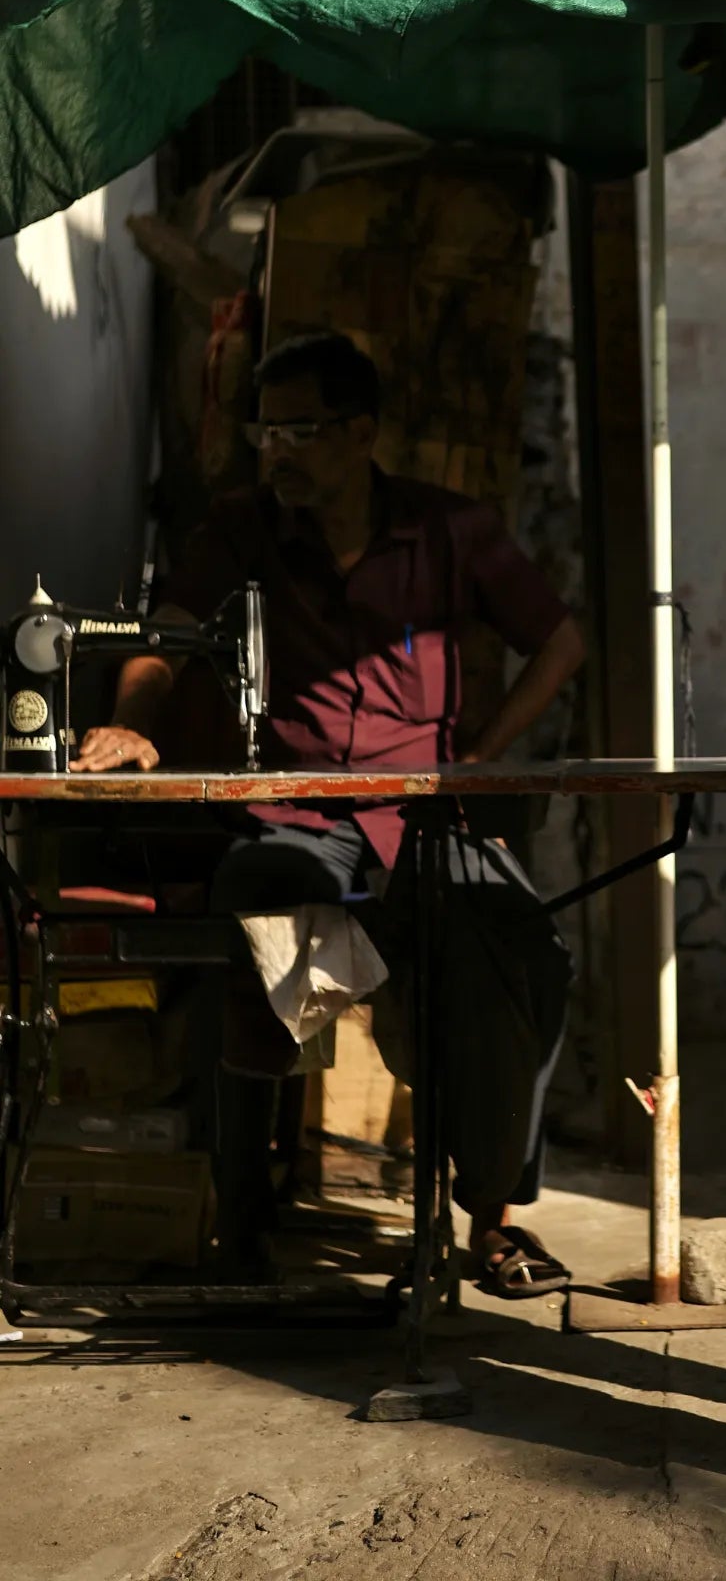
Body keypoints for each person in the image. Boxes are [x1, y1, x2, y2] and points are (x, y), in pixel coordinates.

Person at [73, 331, 586, 1294]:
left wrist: (481, 755)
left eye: (300, 431)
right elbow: (167, 640)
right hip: (296, 814)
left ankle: (491, 1216)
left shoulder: (449, 532)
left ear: (360, 433)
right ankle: (241, 1209)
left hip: (426, 813)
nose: (278, 453)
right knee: (256, 896)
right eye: (266, 433)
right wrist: (130, 723)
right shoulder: (241, 531)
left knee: (523, 953)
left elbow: (561, 642)